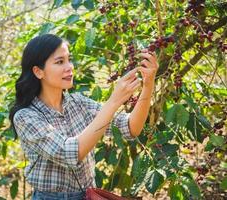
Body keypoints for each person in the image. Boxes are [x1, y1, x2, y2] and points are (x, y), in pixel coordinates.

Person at [8, 33, 159, 200]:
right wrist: (114, 101)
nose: (69, 67)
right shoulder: (26, 117)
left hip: (88, 195)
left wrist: (148, 83)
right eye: (60, 62)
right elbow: (69, 153)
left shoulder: (78, 103)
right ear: (38, 71)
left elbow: (131, 127)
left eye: (69, 59)